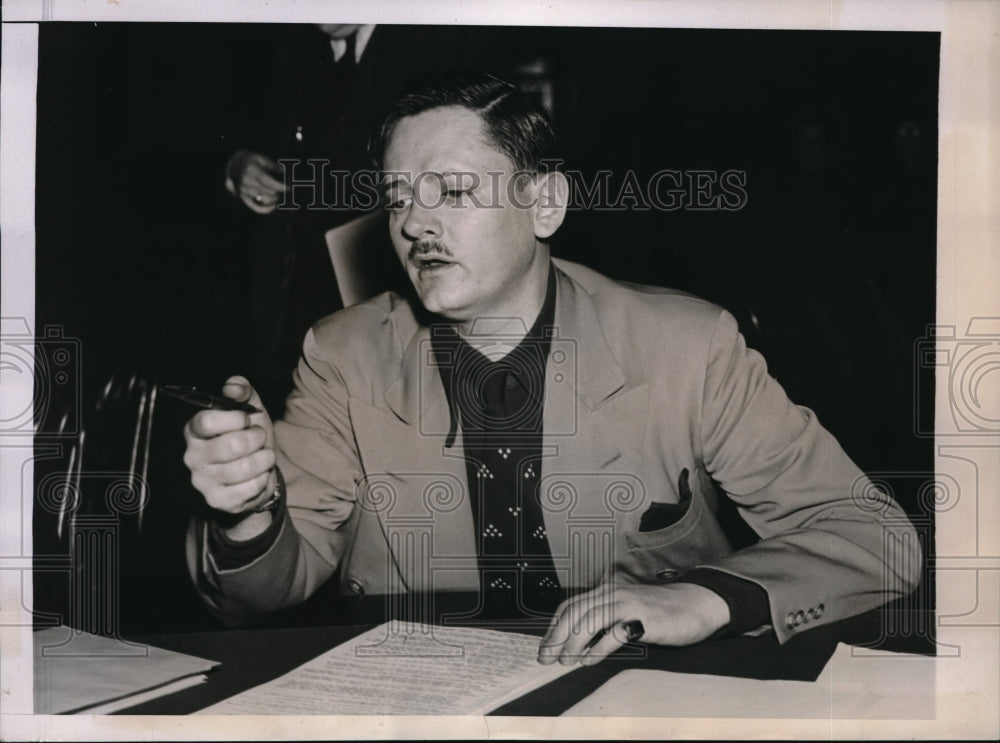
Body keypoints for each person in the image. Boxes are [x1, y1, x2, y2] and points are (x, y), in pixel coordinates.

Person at [183, 73, 921, 667]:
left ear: (545, 203)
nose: (413, 224)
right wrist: (248, 514)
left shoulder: (686, 346)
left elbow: (874, 535)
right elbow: (261, 594)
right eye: (399, 198)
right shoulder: (344, 354)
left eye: (455, 191)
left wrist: (705, 596)